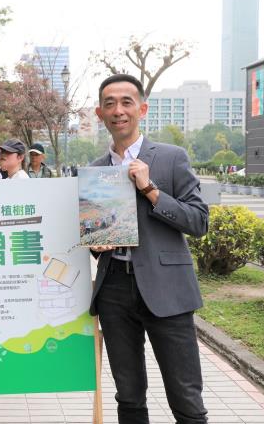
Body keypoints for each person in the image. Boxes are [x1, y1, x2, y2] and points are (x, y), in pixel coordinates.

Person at [89, 74, 209, 424]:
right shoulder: (94, 171)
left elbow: (198, 221)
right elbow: (96, 235)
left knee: (186, 397)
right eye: (109, 103)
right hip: (113, 289)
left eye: (126, 102)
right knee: (128, 396)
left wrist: (150, 189)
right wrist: (97, 244)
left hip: (167, 288)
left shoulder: (171, 158)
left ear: (142, 109)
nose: (118, 110)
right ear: (100, 113)